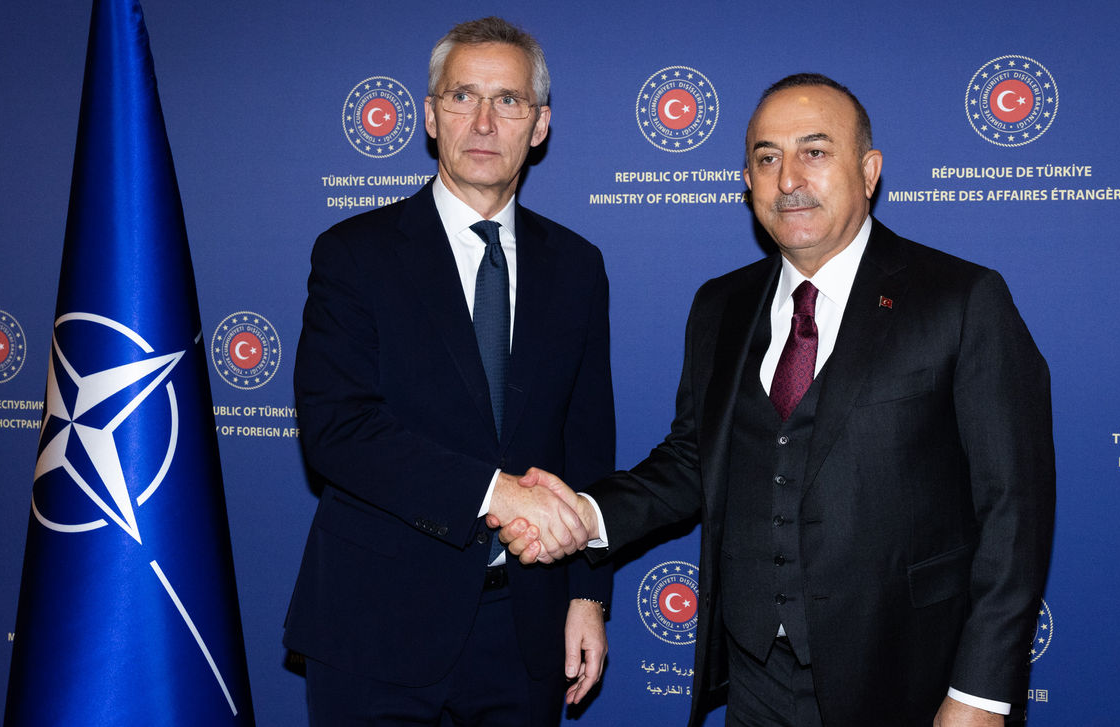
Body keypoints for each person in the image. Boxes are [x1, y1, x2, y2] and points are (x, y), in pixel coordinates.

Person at [495, 73, 1055, 727]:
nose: (789, 177)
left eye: (815, 152)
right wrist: (586, 514)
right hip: (755, 681)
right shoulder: (720, 305)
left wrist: (980, 694)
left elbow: (1014, 512)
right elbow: (691, 463)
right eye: (767, 157)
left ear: (868, 171)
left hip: (911, 681)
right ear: (748, 181)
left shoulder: (961, 300)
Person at [284, 17, 614, 726]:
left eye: (510, 100)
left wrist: (588, 595)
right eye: (463, 96)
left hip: (525, 628)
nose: (486, 121)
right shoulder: (354, 254)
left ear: (541, 123)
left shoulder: (578, 266)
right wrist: (496, 491)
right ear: (431, 117)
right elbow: (337, 430)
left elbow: (586, 444)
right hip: (376, 628)